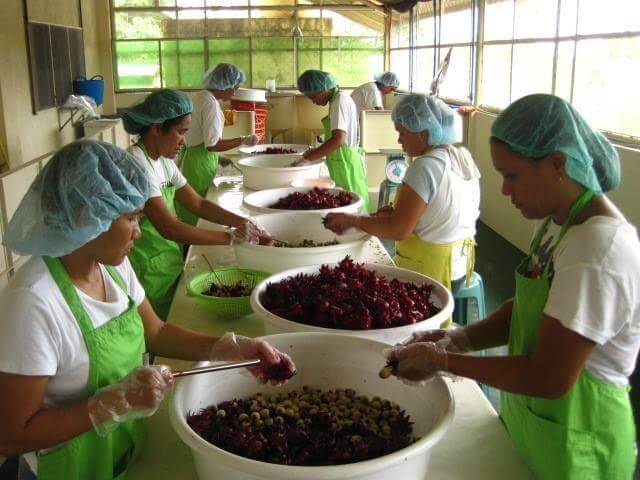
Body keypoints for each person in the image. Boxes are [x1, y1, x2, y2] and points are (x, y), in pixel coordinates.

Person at [0, 139, 295, 480]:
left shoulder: (111, 266)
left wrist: (230, 348)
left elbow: (156, 332)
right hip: (66, 468)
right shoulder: (33, 302)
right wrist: (107, 405)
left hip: (122, 450)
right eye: (132, 219)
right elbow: (11, 436)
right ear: (88, 216)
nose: (139, 232)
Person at [385, 94, 640, 479]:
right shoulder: (558, 223)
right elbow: (525, 307)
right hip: (539, 424)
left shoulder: (597, 251)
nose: (505, 191)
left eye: (513, 176)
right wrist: (455, 339)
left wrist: (443, 362)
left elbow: (549, 377)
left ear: (557, 163)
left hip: (578, 445)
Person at [122, 89, 266, 320]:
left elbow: (197, 203)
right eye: (181, 132)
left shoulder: (162, 161)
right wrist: (229, 238)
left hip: (166, 260)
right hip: (147, 267)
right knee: (160, 329)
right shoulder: (137, 164)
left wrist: (242, 221)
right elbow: (168, 227)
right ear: (157, 128)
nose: (184, 141)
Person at [324, 94, 480, 299]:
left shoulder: (425, 166)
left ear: (424, 133)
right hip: (459, 266)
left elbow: (398, 230)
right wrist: (398, 213)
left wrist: (352, 220)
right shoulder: (461, 157)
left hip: (431, 273)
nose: (399, 141)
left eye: (402, 133)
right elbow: (443, 211)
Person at [177, 63, 260, 225]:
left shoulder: (202, 97)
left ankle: (189, 243)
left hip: (193, 158)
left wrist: (219, 157)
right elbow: (212, 145)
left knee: (192, 206)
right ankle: (193, 245)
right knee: (198, 207)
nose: (235, 91)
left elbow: (200, 135)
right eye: (234, 87)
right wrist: (243, 140)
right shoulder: (211, 104)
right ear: (224, 85)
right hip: (198, 164)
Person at [295, 69, 370, 211]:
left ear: (322, 89)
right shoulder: (339, 99)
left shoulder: (339, 102)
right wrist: (314, 153)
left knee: (352, 206)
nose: (314, 102)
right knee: (349, 204)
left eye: (313, 97)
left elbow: (338, 140)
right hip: (344, 161)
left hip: (346, 164)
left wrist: (308, 158)